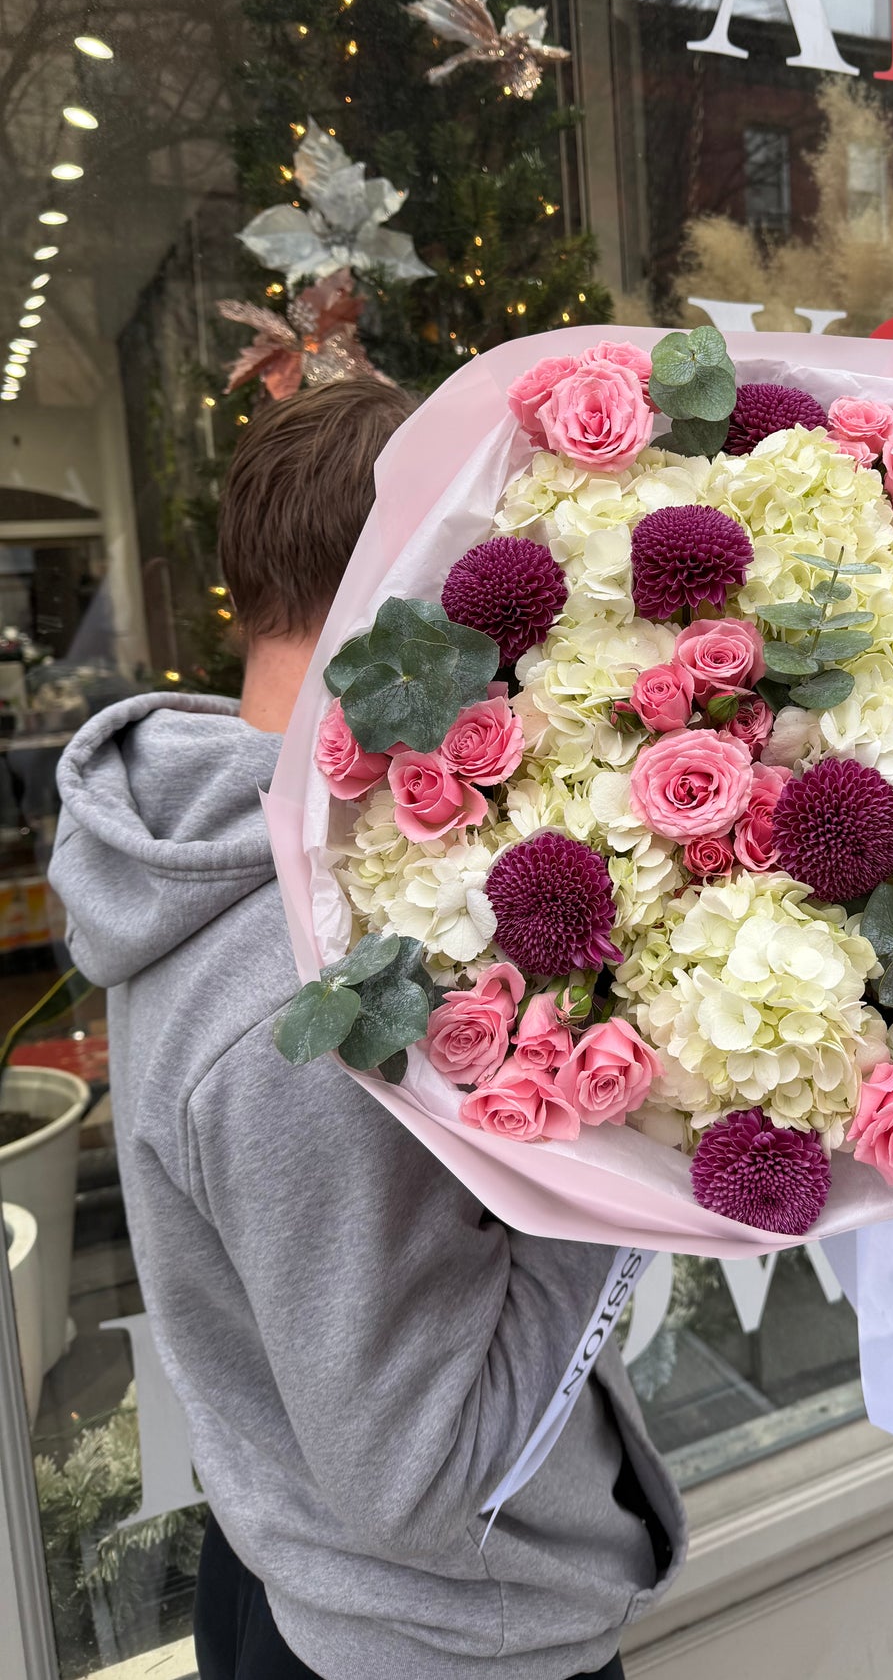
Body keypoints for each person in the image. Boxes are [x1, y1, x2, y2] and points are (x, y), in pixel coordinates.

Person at [50, 378, 685, 1680]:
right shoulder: (298, 977)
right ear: (436, 582)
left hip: (298, 1572)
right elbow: (421, 1473)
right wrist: (643, 1133)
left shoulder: (193, 845)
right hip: (428, 1638)